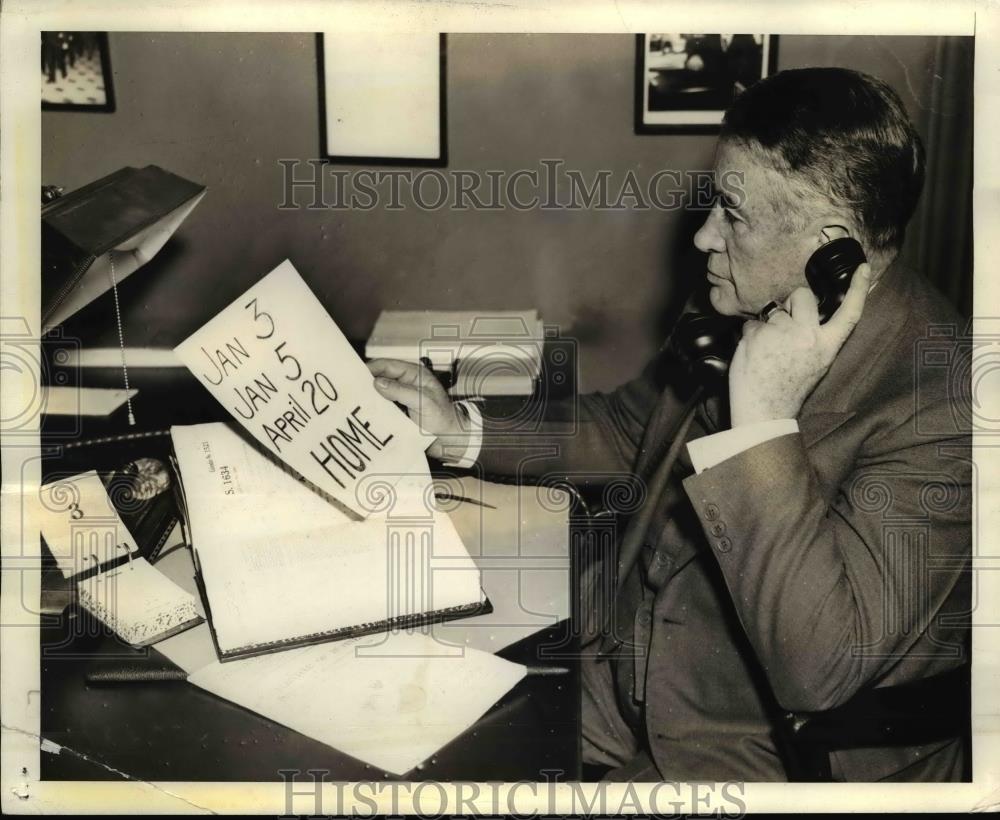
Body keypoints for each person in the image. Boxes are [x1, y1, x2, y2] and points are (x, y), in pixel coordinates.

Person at [367, 67, 971, 782]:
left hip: (759, 756)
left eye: (733, 215)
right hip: (610, 672)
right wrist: (460, 428)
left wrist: (762, 422)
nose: (704, 238)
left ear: (829, 245)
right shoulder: (743, 289)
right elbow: (633, 428)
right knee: (391, 733)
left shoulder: (945, 404)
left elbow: (821, 669)